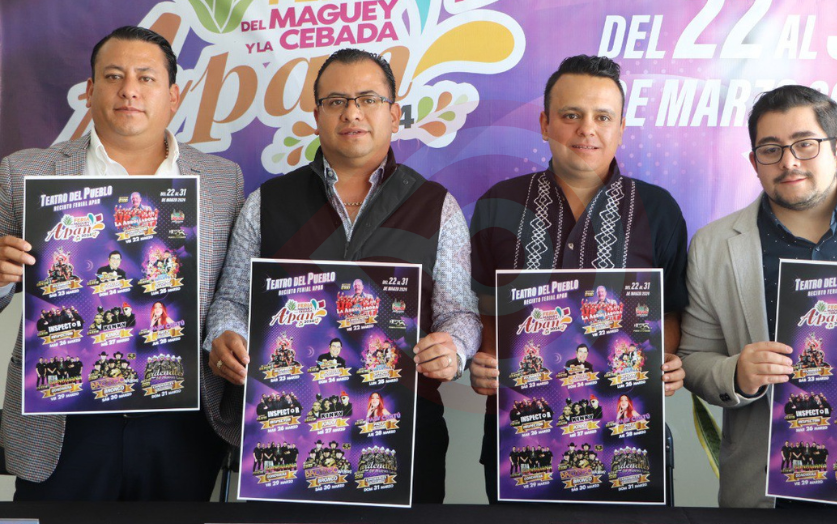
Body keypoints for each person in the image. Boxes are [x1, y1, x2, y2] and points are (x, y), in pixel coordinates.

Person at [204, 48, 480, 503]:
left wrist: (455, 348)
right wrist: (225, 334)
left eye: (368, 99)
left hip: (404, 435)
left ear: (394, 114)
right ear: (317, 116)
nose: (352, 113)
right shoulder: (267, 202)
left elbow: (459, 312)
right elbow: (233, 300)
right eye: (336, 101)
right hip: (287, 435)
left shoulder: (436, 206)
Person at [0, 26, 244, 500]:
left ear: (173, 96)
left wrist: (227, 335)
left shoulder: (222, 180)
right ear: (90, 91)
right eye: (113, 76)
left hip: (180, 415)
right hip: (62, 414)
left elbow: (230, 292)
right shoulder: (24, 172)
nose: (129, 89)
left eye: (146, 78)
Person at [679, 84, 837, 508]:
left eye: (805, 144)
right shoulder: (714, 245)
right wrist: (737, 373)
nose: (789, 161)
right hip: (777, 485)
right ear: (754, 162)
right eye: (771, 149)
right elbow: (692, 358)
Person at [468, 55, 688, 503]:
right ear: (545, 124)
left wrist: (666, 364)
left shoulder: (658, 209)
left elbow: (669, 314)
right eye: (571, 115)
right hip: (520, 437)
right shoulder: (497, 205)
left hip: (629, 435)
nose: (587, 129)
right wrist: (482, 360)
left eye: (602, 117)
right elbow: (480, 309)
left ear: (621, 128)